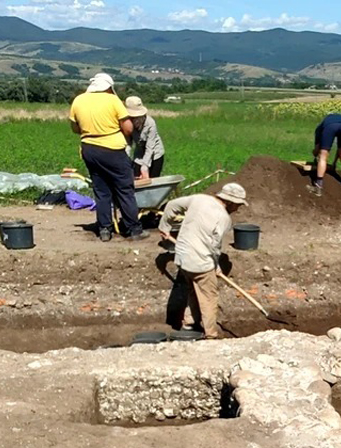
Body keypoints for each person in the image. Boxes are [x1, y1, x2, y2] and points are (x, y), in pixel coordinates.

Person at [158, 183, 248, 339]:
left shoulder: (199, 199)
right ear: (230, 201)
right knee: (209, 297)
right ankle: (211, 335)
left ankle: (189, 324)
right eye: (238, 205)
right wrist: (215, 265)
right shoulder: (224, 218)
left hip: (182, 258)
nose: (237, 209)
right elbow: (214, 246)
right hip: (200, 261)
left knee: (194, 289)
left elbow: (172, 204)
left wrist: (164, 226)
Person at [68, 72, 145, 242]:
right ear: (109, 87)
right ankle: (134, 229)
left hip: (89, 149)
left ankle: (104, 229)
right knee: (124, 189)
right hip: (113, 149)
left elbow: (75, 128)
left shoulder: (78, 100)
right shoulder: (113, 100)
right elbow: (128, 128)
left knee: (101, 191)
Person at [308, 113, 341, 196]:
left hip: (330, 126)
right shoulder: (339, 118)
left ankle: (318, 187)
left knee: (323, 156)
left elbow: (317, 149)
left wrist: (315, 154)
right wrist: (334, 163)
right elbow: (339, 152)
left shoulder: (318, 130)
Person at [124, 96, 165, 180]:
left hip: (155, 154)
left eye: (136, 117)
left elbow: (150, 147)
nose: (134, 120)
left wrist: (145, 165)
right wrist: (125, 159)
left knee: (152, 180)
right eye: (132, 117)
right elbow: (128, 143)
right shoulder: (127, 123)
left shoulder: (150, 123)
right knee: (136, 178)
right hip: (139, 154)